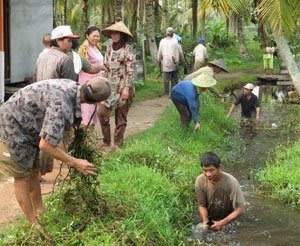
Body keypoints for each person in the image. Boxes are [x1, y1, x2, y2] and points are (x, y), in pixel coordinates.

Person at [0, 77, 111, 227]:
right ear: (96, 102)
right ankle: (34, 224)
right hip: (12, 127)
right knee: (22, 176)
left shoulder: (73, 87)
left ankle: (40, 211)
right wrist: (75, 162)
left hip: (29, 124)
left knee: (34, 170)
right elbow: (45, 145)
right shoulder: (62, 105)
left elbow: (58, 128)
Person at [97, 21, 135, 152]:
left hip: (123, 86)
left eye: (116, 33)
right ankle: (106, 140)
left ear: (121, 35)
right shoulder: (108, 49)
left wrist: (126, 88)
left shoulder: (127, 49)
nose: (114, 35)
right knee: (101, 112)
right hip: (109, 87)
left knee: (121, 116)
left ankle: (117, 143)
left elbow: (131, 70)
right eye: (112, 33)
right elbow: (105, 68)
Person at [195, 152, 246, 231]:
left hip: (228, 219)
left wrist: (222, 222)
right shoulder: (200, 181)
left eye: (211, 170)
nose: (208, 174)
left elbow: (241, 209)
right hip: (211, 217)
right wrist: (205, 221)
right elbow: (202, 205)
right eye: (205, 170)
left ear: (219, 168)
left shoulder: (231, 182)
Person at [78, 25, 105, 128]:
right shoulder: (84, 49)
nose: (96, 38)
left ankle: (91, 138)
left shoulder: (96, 47)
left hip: (97, 84)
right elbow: (82, 66)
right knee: (87, 112)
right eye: (94, 36)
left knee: (94, 112)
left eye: (98, 36)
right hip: (88, 84)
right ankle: (83, 138)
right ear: (87, 36)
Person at [157, 27, 179, 95]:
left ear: (166, 33)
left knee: (166, 79)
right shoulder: (175, 40)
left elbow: (160, 51)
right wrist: (177, 61)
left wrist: (158, 59)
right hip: (173, 62)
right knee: (174, 78)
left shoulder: (162, 41)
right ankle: (173, 91)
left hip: (165, 62)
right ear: (172, 33)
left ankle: (166, 92)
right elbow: (176, 52)